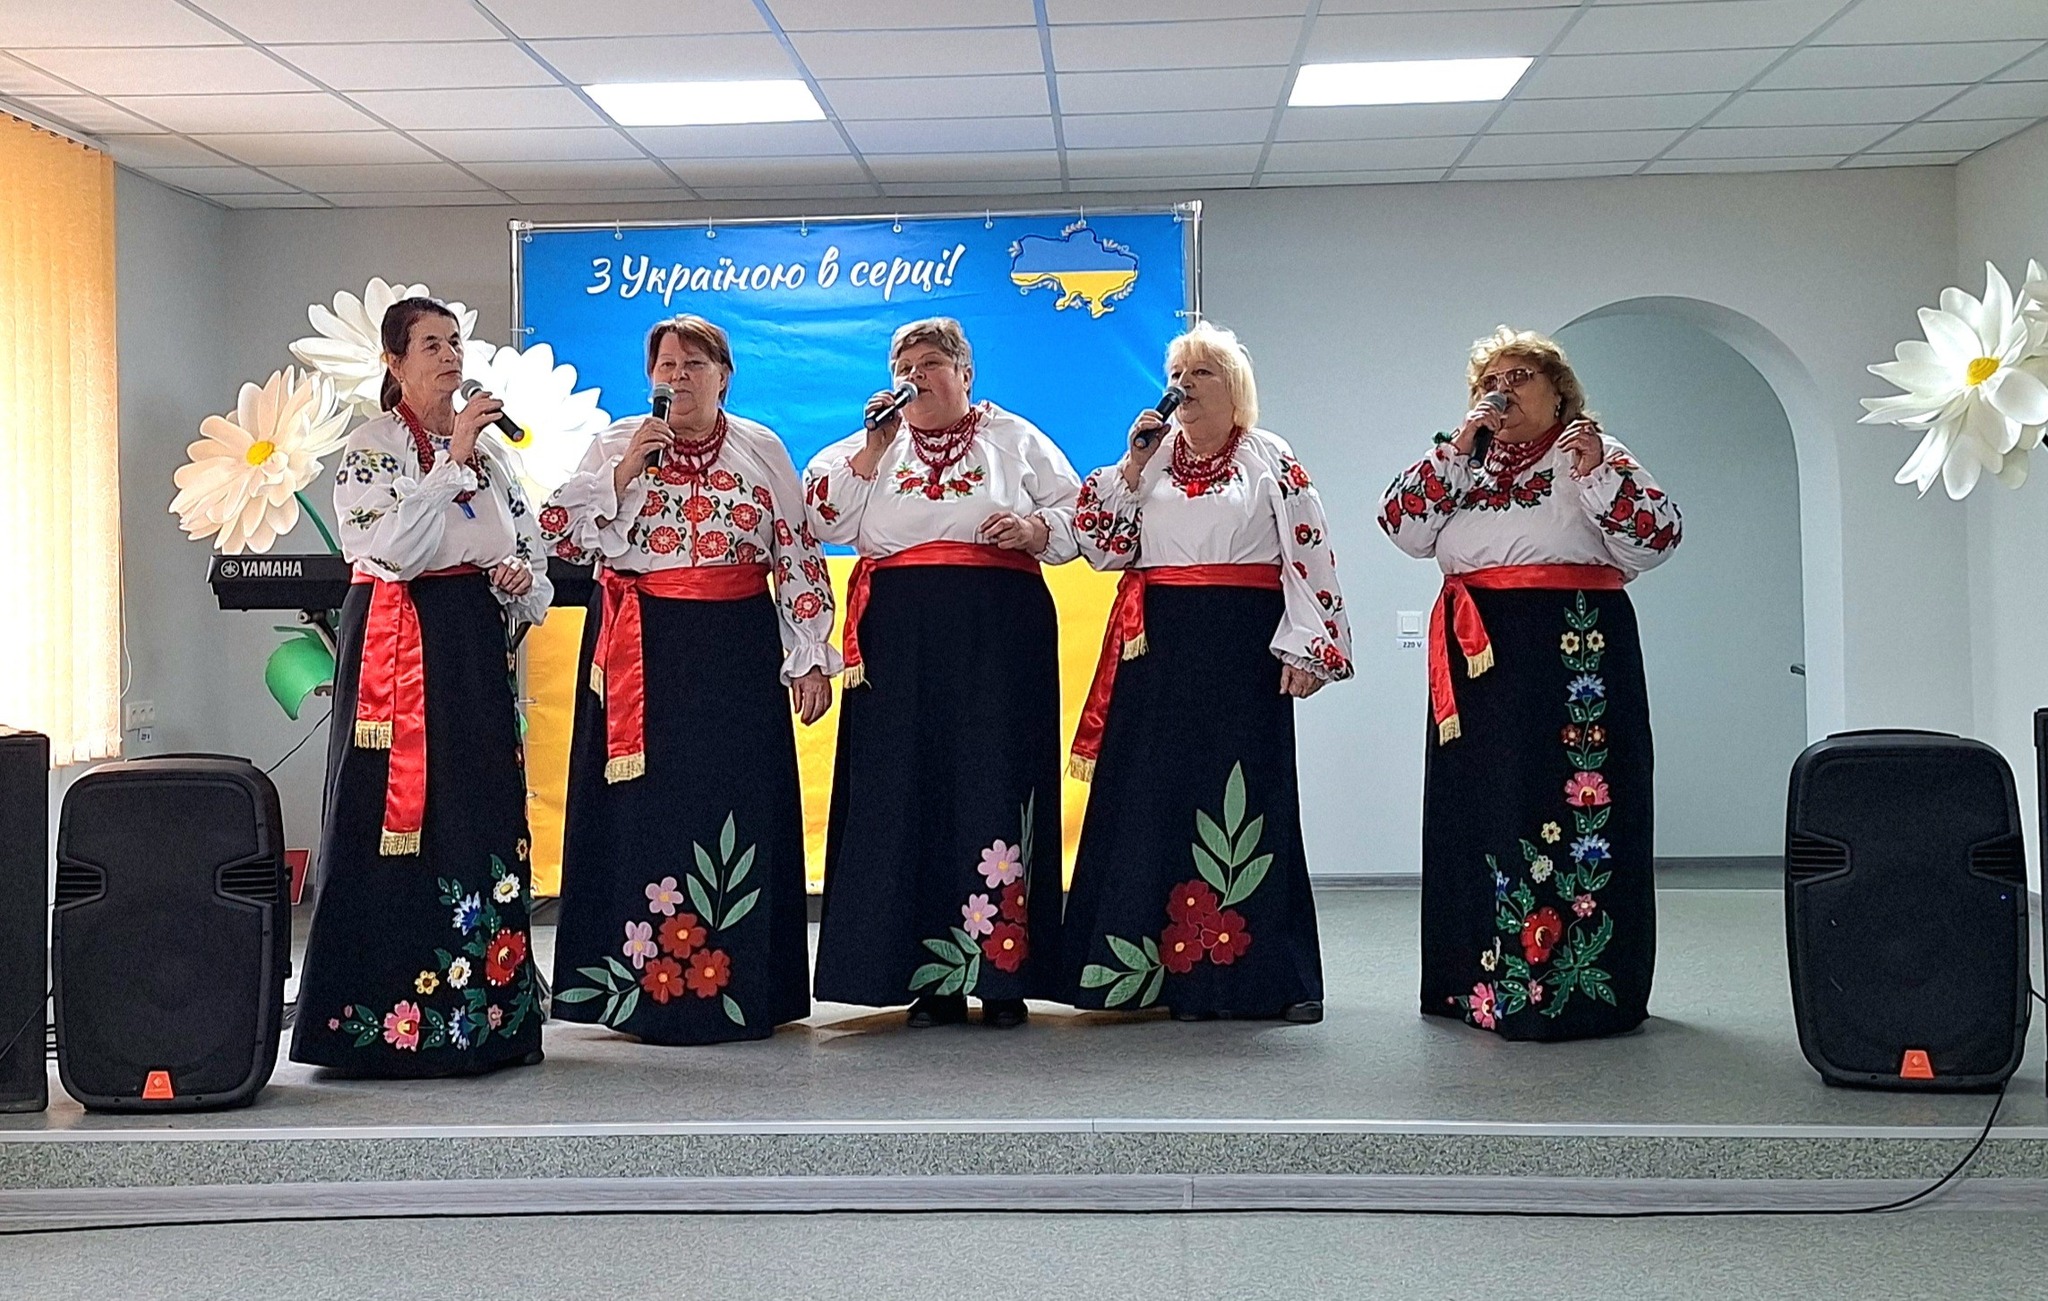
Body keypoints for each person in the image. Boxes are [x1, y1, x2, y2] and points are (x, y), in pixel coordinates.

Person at [538, 315, 837, 1044]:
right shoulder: (617, 443)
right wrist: (622, 474)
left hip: (736, 649)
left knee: (733, 803)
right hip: (641, 647)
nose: (678, 378)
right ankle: (639, 991)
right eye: (666, 365)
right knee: (643, 813)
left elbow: (796, 552)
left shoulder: (762, 448)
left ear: (724, 376)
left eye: (694, 364)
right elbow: (555, 532)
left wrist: (808, 654)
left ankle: (739, 986)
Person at [1380, 325, 1681, 1041]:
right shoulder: (1464, 462)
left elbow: (1656, 539)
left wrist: (1598, 473)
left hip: (1574, 652)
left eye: (1520, 378)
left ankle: (1575, 986)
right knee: (1481, 807)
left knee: (1567, 804)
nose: (1502, 391)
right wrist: (1457, 451)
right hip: (1476, 658)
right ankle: (1476, 984)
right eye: (1491, 381)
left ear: (1559, 394)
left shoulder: (1593, 454)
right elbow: (1401, 527)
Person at [1060, 322, 1352, 1022]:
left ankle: (1267, 978)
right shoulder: (1152, 459)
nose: (1184, 386)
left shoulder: (1269, 456)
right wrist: (1131, 469)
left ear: (1234, 387)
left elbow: (1307, 549)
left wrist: (1309, 645)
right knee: (1153, 795)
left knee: (1249, 794)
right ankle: (1153, 977)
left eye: (1202, 373)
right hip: (1158, 649)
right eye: (1178, 374)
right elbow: (1101, 548)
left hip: (1242, 647)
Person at [291, 296, 551, 1077]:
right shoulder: (372, 449)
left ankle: (488, 1021)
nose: (450, 355)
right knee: (392, 820)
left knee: (479, 813)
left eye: (456, 342)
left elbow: (526, 547)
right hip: (398, 643)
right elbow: (390, 549)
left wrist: (515, 577)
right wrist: (451, 461)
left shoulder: (492, 458)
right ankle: (380, 1025)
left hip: (470, 641)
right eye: (431, 343)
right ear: (394, 362)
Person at [803, 317, 1079, 1029]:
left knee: (996, 779)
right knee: (908, 788)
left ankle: (1003, 974)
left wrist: (1033, 530)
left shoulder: (1015, 438)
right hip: (899, 637)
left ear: (965, 373)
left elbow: (1079, 516)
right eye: (903, 367)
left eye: (929, 364)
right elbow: (822, 521)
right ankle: (931, 980)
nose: (914, 378)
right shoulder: (868, 448)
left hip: (998, 631)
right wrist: (872, 451)